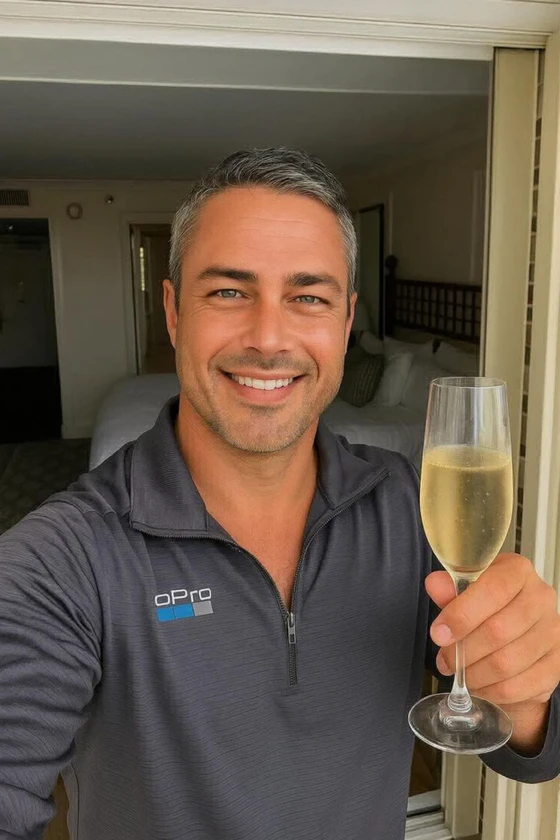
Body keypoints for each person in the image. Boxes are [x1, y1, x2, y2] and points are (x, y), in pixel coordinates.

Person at [1, 148, 559, 840]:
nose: (268, 338)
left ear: (346, 322)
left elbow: (524, 749)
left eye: (309, 297)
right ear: (173, 312)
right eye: (229, 292)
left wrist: (525, 688)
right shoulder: (61, 561)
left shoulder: (403, 502)